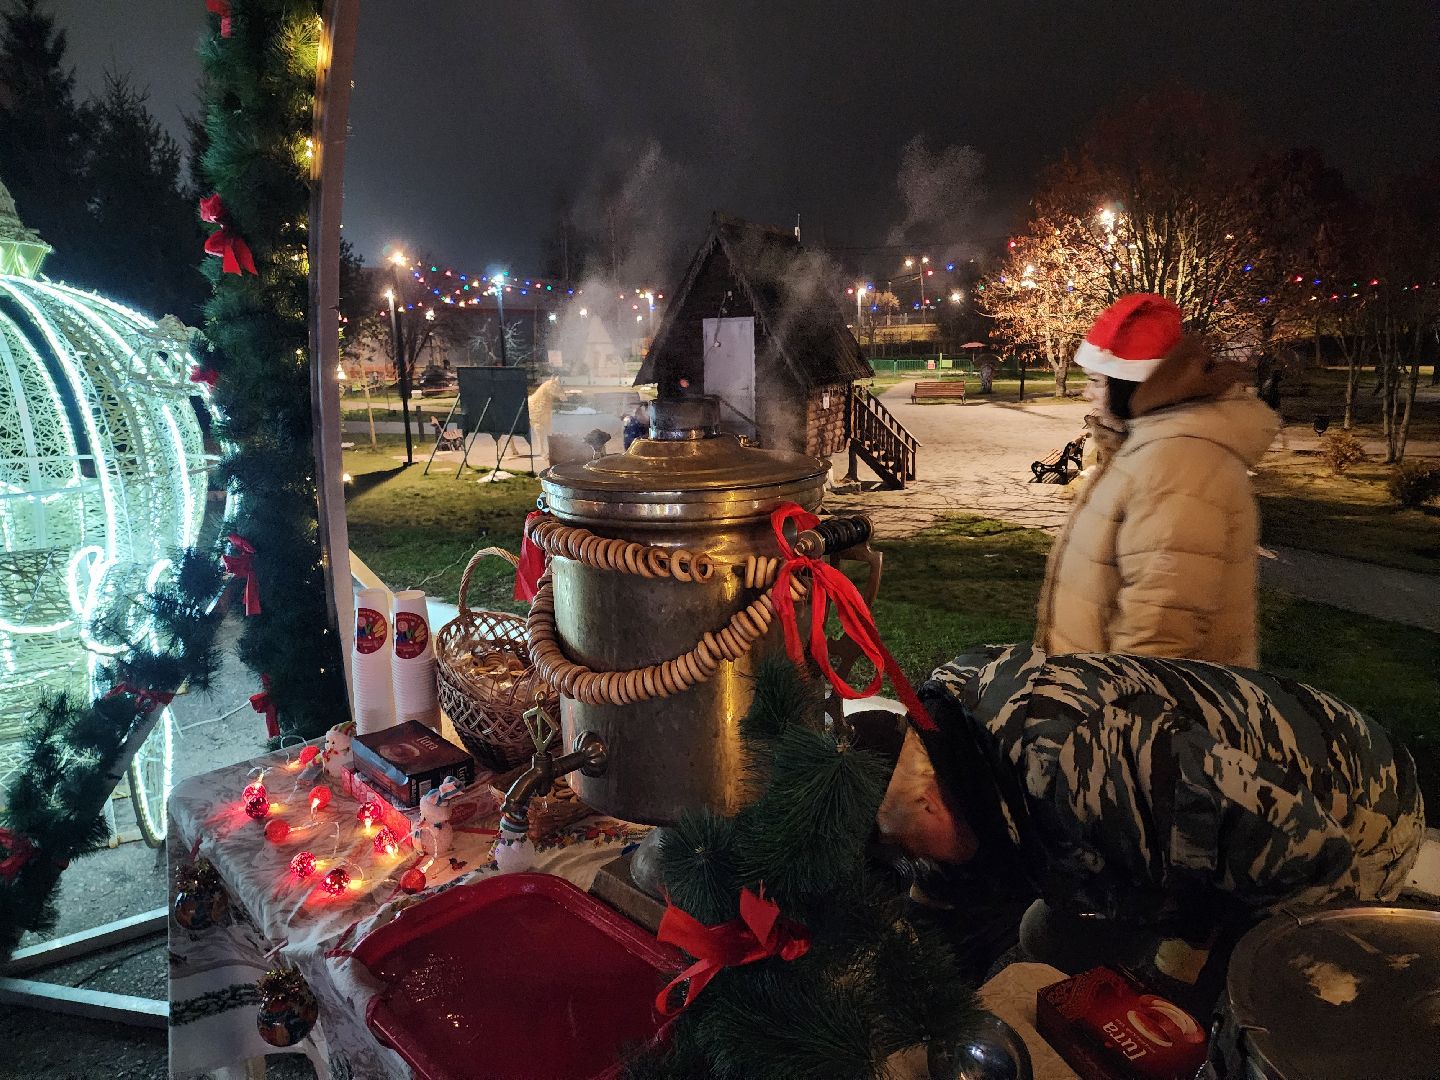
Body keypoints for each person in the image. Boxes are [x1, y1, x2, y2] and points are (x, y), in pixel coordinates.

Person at [876, 644, 1425, 1008]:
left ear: (929, 800)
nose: (916, 863)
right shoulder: (936, 741)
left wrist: (1176, 977)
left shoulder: (1083, 760)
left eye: (908, 847)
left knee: (1238, 1009)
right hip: (1184, 829)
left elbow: (1307, 851)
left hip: (1352, 820)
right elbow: (945, 901)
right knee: (1044, 935)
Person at [1036, 294, 1280, 666]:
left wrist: (1107, 715)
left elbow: (1161, 629)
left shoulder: (1179, 464)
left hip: (1131, 710)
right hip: (1091, 692)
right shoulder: (1148, 448)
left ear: (1131, 384)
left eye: (1098, 382)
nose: (1087, 393)